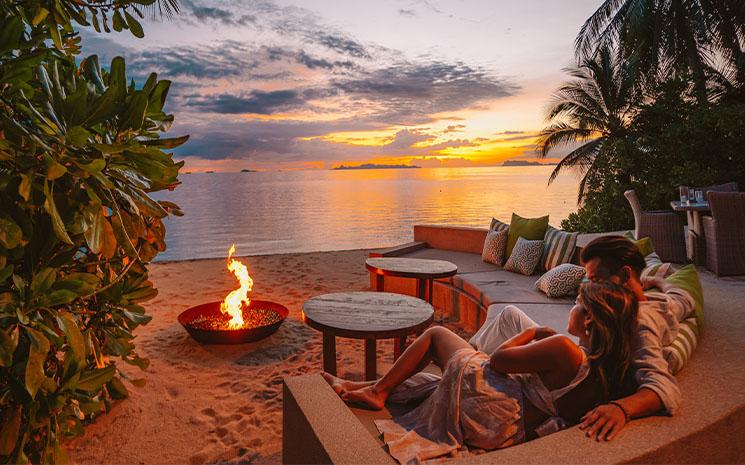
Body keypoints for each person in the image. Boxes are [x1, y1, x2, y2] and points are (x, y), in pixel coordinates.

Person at [323, 282, 638, 464]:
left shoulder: (566, 350)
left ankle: (377, 393)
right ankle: (357, 385)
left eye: (577, 303)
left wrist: (534, 333)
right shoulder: (604, 375)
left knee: (435, 336)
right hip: (508, 428)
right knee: (443, 379)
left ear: (589, 321)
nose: (571, 307)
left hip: (492, 410)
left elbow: (499, 359)